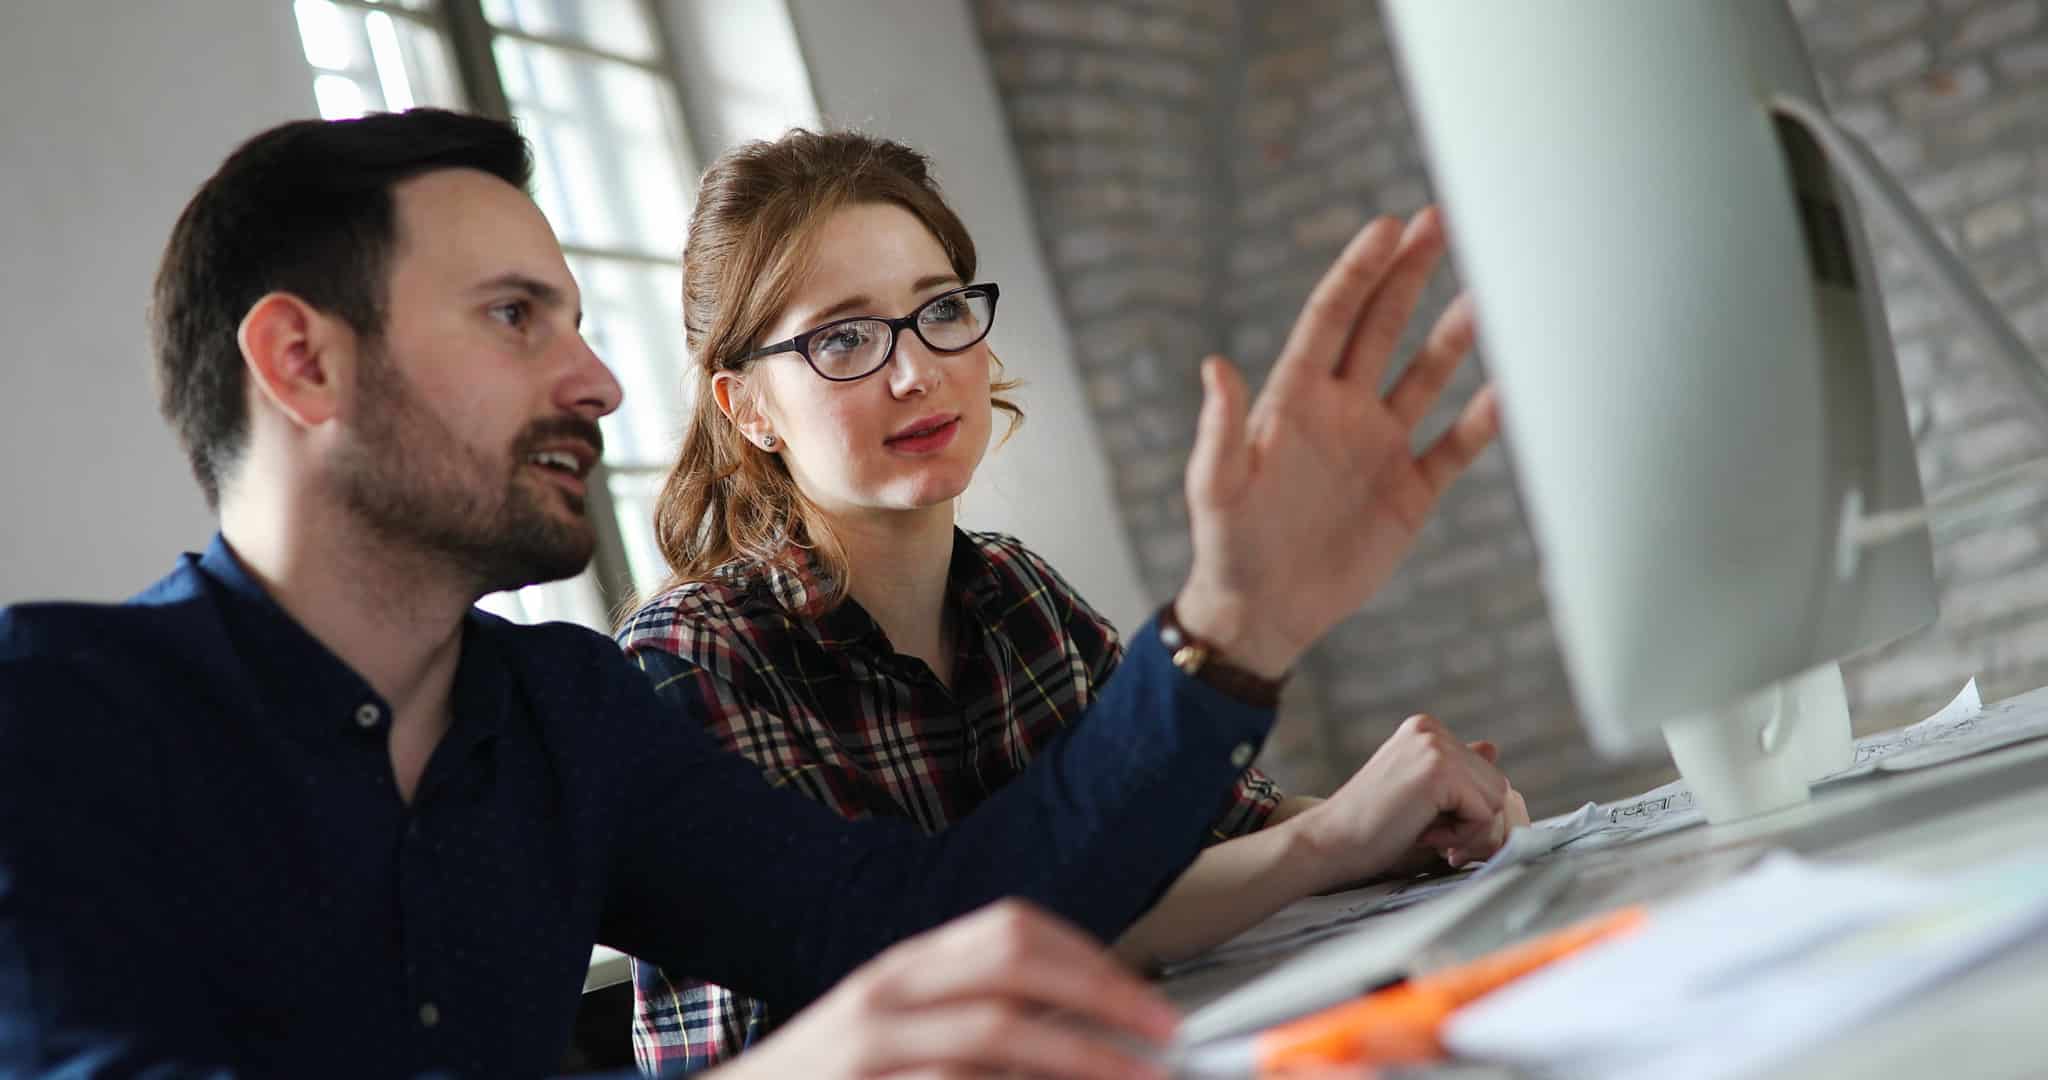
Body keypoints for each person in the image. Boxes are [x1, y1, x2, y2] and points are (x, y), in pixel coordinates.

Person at [0, 107, 1518, 1078]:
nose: (595, 381)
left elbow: (916, 922)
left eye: (578, 323)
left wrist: (1234, 630)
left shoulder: (561, 716)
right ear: (302, 361)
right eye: (517, 317)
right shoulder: (50, 721)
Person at [616, 129, 1527, 1072]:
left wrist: (1410, 813)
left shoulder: (1016, 594)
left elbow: (1206, 830)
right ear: (747, 407)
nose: (916, 370)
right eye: (844, 337)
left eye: (940, 311)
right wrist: (1335, 839)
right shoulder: (692, 660)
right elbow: (912, 990)